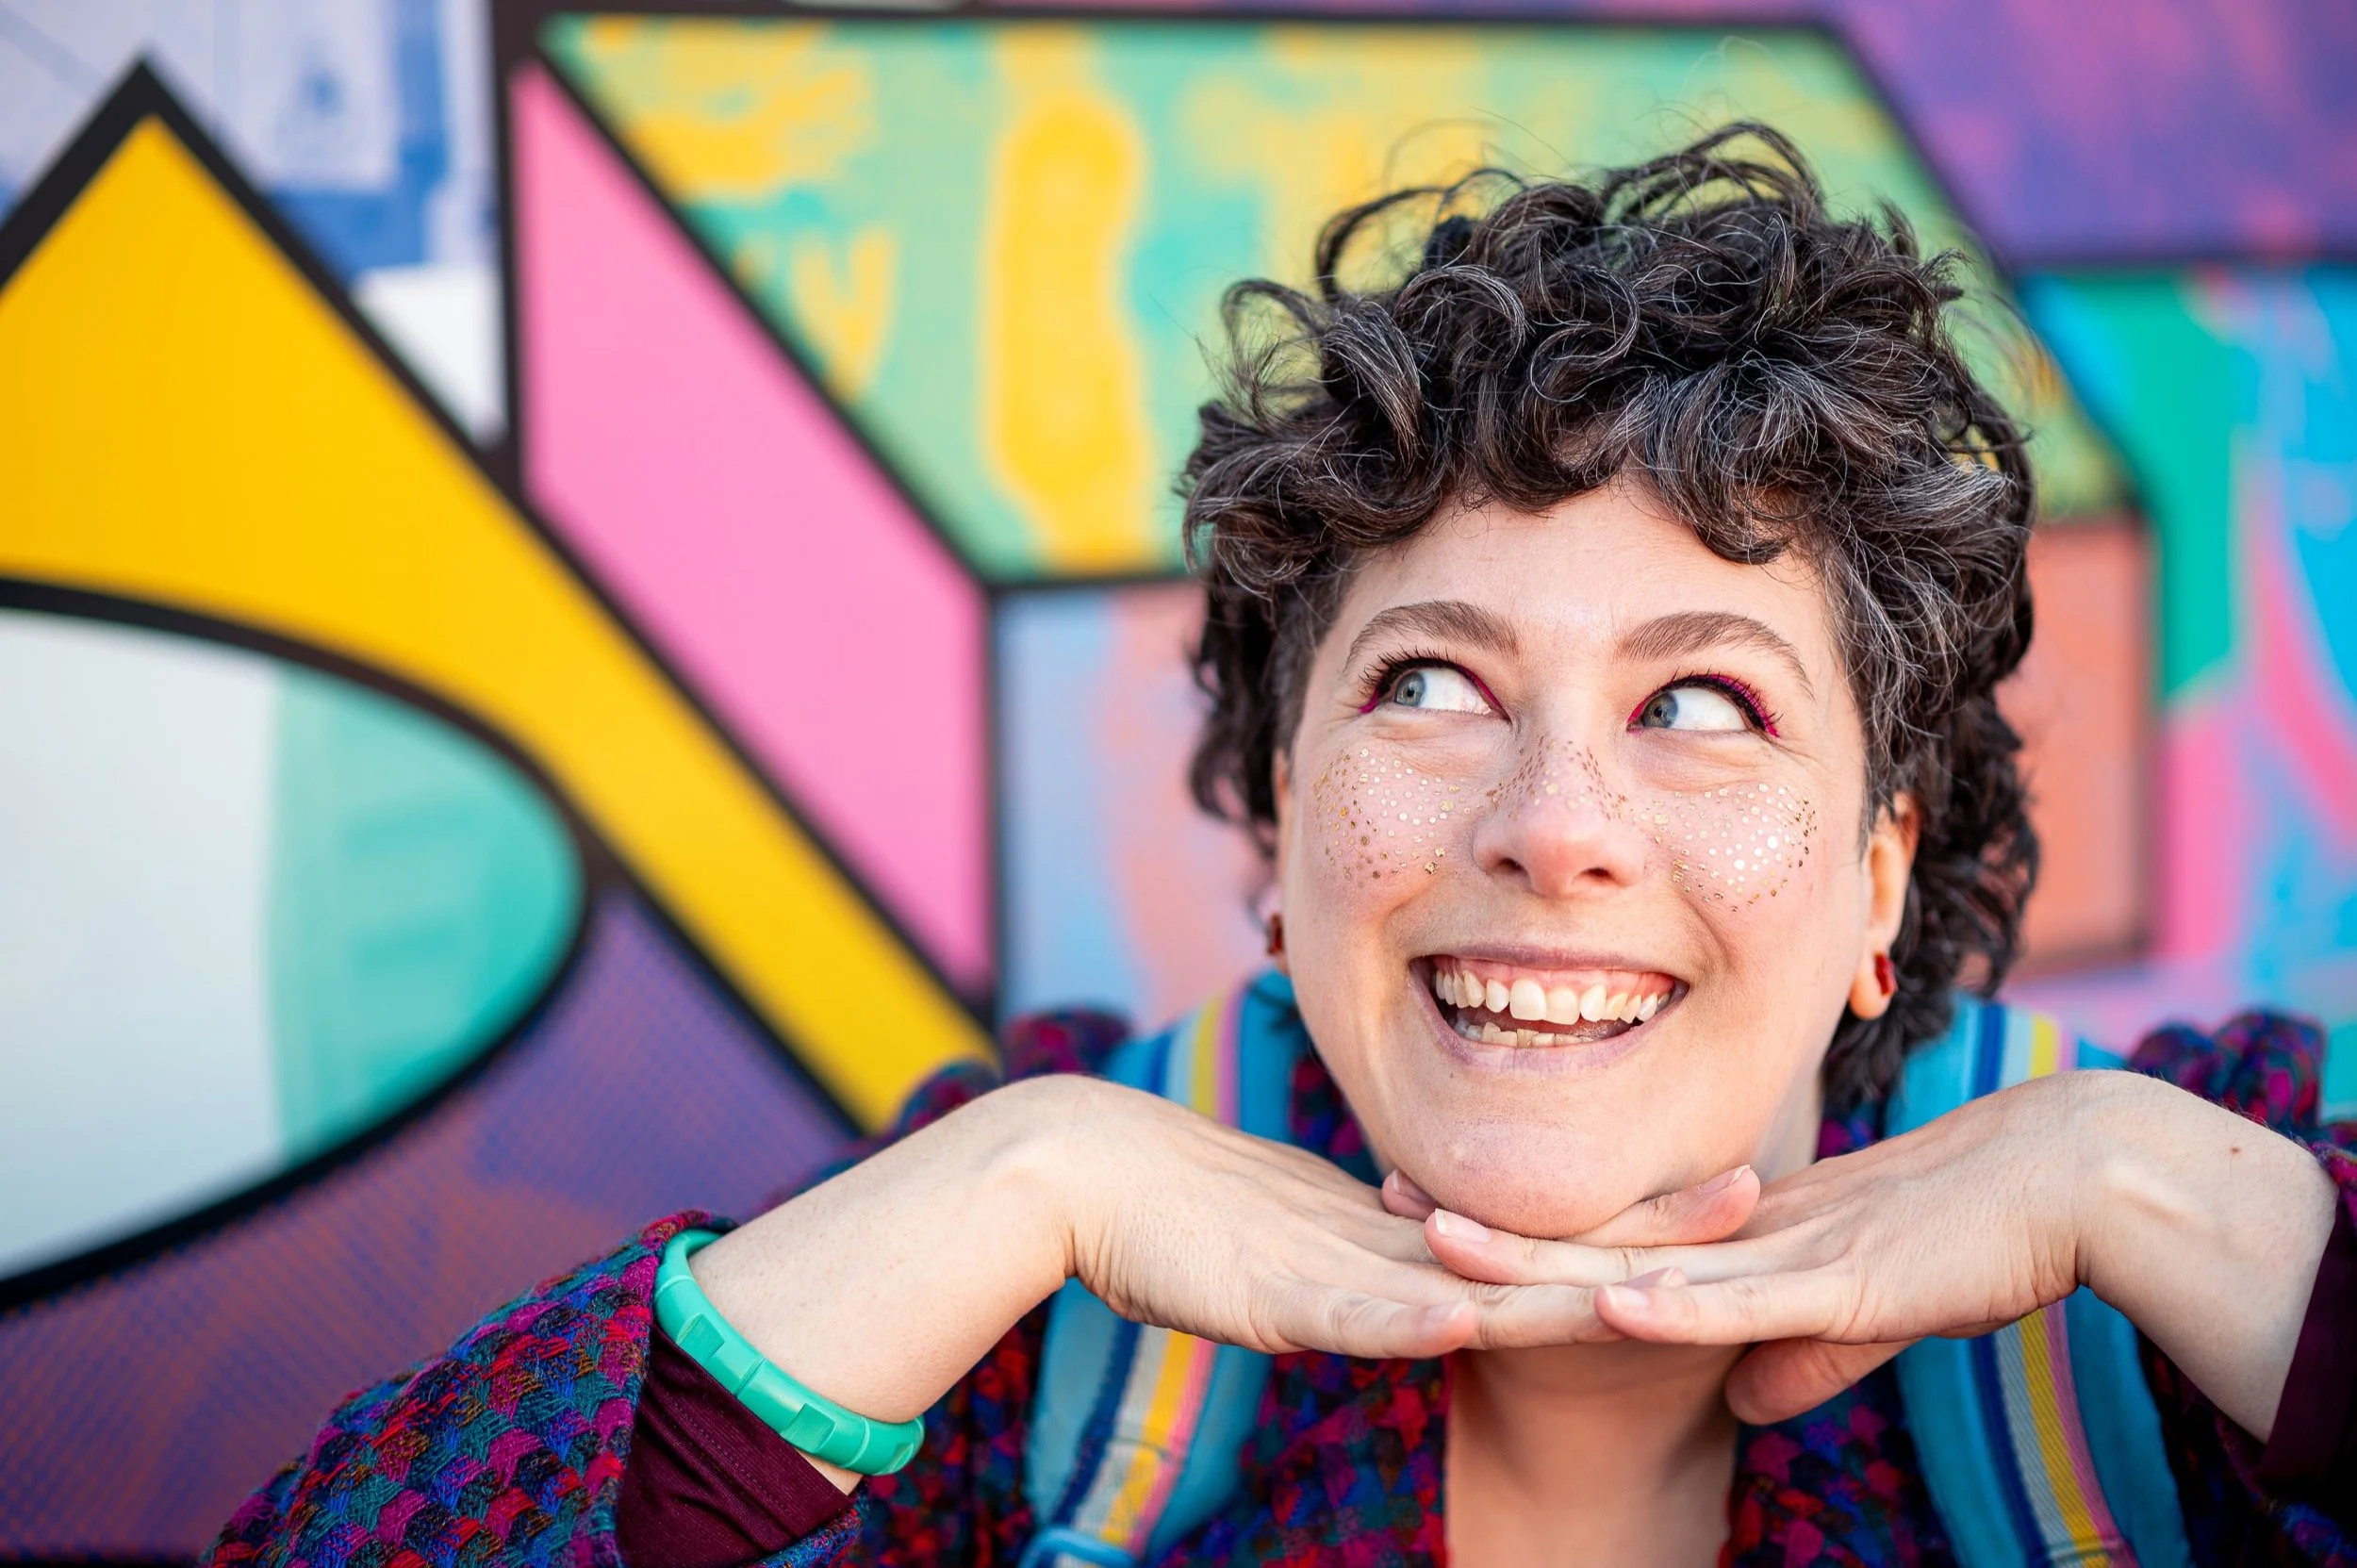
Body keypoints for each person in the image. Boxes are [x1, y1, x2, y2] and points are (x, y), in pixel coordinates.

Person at [205, 126, 2356, 1567]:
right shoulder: (1028, 1320)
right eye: (1429, 684)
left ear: (1882, 876)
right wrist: (1015, 1179)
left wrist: (2160, 1202)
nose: (1555, 829)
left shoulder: (2180, 1285)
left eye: (1703, 704)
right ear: (1278, 806)